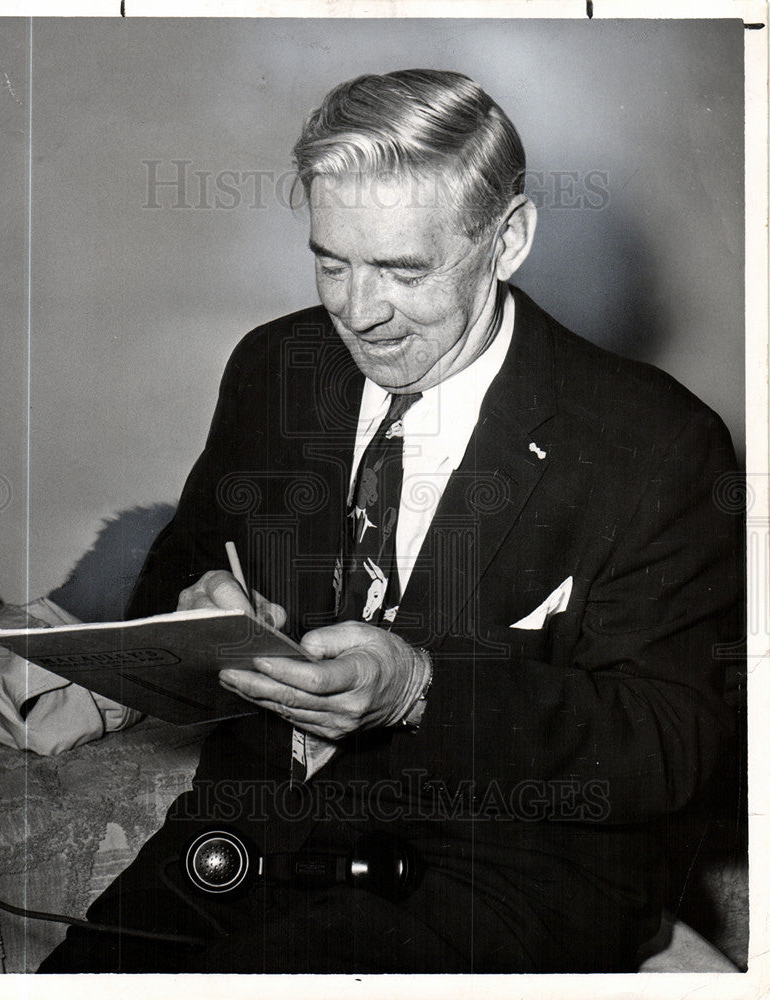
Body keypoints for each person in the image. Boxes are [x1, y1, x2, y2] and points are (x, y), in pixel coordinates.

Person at [39, 68, 741, 974]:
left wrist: (420, 687)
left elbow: (673, 742)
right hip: (251, 834)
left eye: (404, 271)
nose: (358, 313)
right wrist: (198, 609)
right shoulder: (276, 367)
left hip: (505, 871)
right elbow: (182, 564)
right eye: (332, 261)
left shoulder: (658, 441)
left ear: (510, 238)